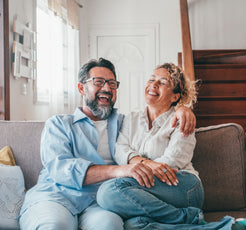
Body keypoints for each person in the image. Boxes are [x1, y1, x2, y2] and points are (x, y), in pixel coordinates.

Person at [19, 58, 196, 230]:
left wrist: (183, 109)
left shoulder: (123, 122)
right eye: (98, 82)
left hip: (99, 203)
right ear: (81, 87)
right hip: (56, 197)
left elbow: (159, 111)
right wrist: (120, 170)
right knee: (55, 226)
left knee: (110, 226)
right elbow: (61, 168)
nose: (107, 88)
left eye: (112, 84)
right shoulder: (58, 124)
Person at [96, 63, 246, 230]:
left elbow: (172, 162)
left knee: (108, 191)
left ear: (175, 97)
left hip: (181, 185)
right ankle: (227, 228)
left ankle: (190, 217)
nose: (153, 84)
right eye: (151, 79)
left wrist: (138, 167)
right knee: (134, 225)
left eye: (162, 82)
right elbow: (120, 149)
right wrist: (146, 164)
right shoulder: (131, 118)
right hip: (147, 189)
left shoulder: (182, 119)